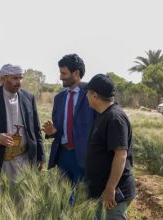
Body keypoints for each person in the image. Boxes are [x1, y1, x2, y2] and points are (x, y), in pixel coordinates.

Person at [0, 64, 45, 179]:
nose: (19, 82)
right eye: (14, 78)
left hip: (24, 160)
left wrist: (40, 157)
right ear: (3, 79)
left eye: (20, 78)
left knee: (21, 196)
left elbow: (36, 129)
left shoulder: (29, 98)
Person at [43, 54, 96, 205]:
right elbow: (59, 127)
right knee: (62, 202)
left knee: (84, 203)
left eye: (64, 73)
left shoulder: (92, 94)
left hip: (84, 158)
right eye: (60, 73)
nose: (61, 77)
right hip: (63, 156)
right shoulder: (59, 98)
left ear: (77, 73)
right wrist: (53, 132)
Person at [84, 74, 136, 220]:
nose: (86, 96)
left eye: (87, 93)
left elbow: (121, 155)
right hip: (102, 192)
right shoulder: (104, 115)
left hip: (113, 196)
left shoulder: (114, 118)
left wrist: (110, 188)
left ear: (94, 95)